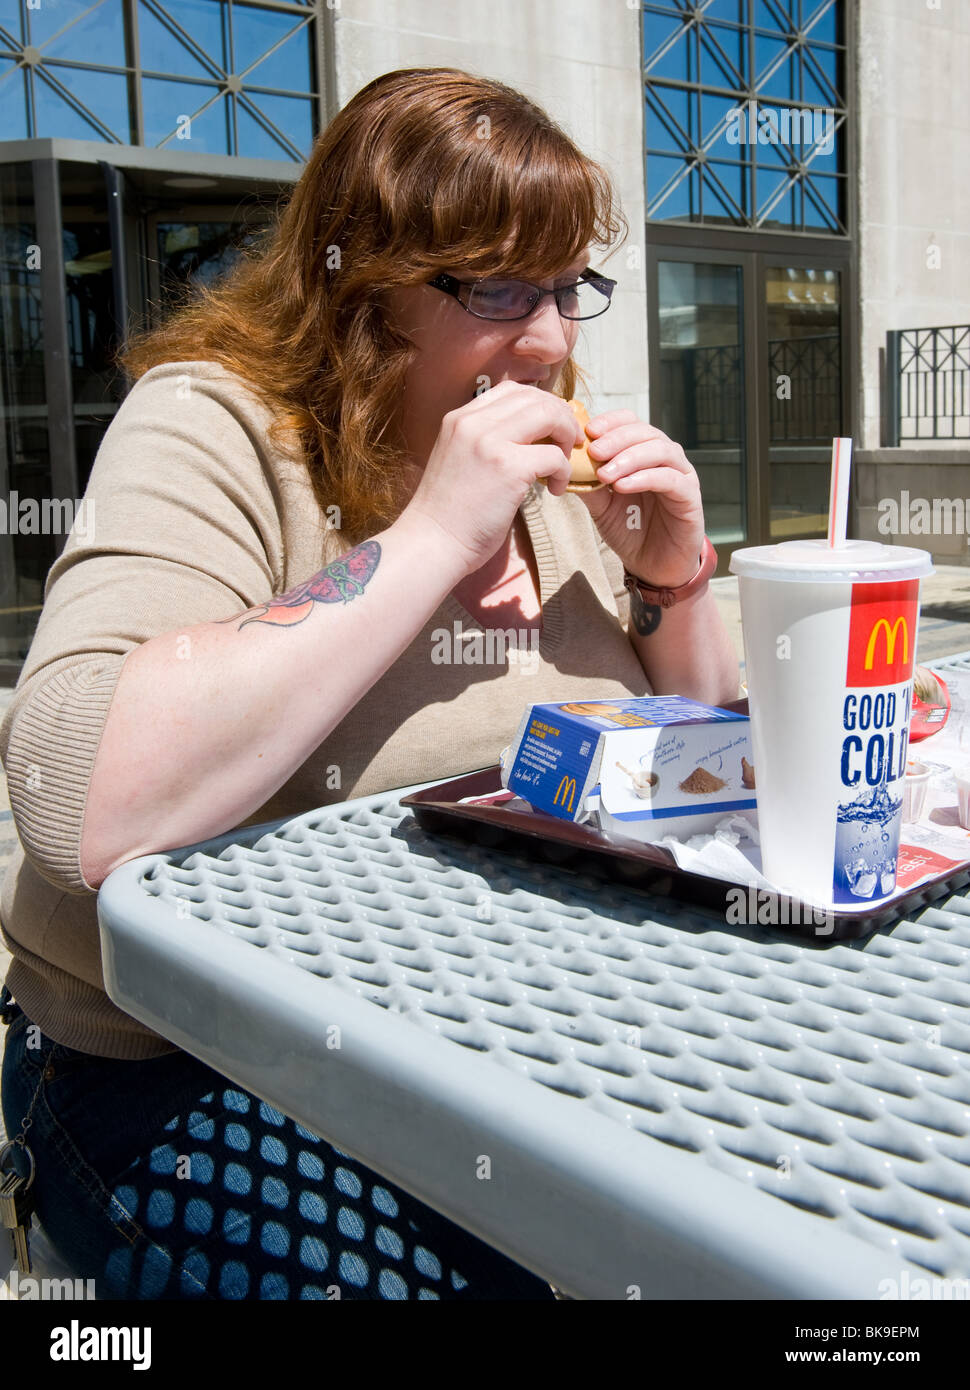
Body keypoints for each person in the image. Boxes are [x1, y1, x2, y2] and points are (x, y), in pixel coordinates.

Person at [0, 67, 739, 1300]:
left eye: (565, 289)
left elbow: (706, 767)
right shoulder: (225, 426)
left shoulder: (553, 487)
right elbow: (80, 797)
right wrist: (433, 538)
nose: (551, 341)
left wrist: (672, 579)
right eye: (498, 285)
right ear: (363, 284)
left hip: (504, 1047)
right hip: (181, 1067)